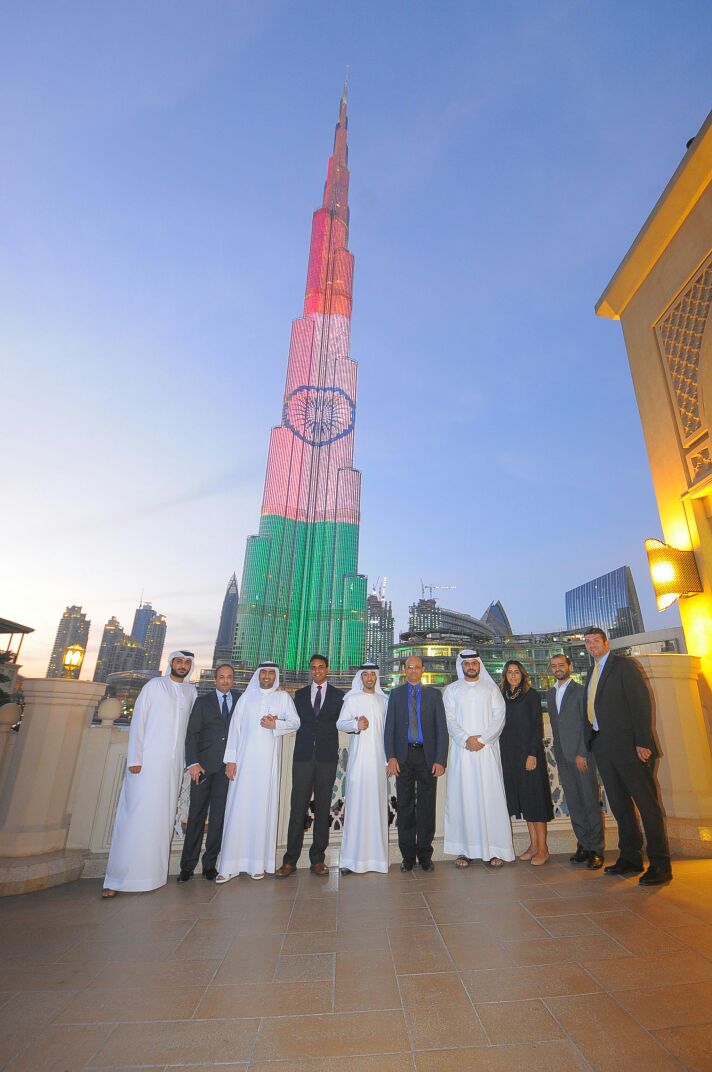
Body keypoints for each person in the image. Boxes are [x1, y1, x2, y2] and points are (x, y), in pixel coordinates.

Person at [102, 650, 197, 897]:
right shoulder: (155, 685)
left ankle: (152, 877)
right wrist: (136, 758)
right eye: (179, 661)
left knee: (162, 818)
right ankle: (117, 879)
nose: (183, 666)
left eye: (187, 663)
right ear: (171, 664)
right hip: (146, 763)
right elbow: (140, 720)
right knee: (135, 816)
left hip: (173, 766)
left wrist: (188, 761)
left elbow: (188, 731)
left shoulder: (190, 692)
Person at [583, 627, 672, 885]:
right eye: (587, 643)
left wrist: (642, 742)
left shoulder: (624, 666)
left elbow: (640, 703)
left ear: (605, 642)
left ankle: (660, 863)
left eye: (595, 641)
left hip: (630, 748)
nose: (591, 646)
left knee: (647, 805)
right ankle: (630, 857)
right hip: (603, 747)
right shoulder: (591, 672)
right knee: (620, 806)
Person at [216, 662, 298, 882]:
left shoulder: (283, 698)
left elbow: (295, 722)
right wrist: (230, 760)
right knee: (238, 809)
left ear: (276, 676)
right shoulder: (246, 698)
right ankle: (229, 865)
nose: (268, 676)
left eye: (272, 673)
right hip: (243, 763)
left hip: (266, 765)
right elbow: (235, 729)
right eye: (264, 672)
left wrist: (276, 725)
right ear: (258, 675)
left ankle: (258, 864)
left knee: (262, 810)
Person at [443, 650, 514, 869]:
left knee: (489, 799)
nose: (471, 666)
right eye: (467, 663)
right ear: (461, 666)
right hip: (462, 752)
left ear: (479, 665)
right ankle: (465, 850)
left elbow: (499, 717)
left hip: (486, 752)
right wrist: (466, 739)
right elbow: (449, 719)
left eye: (474, 663)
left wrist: (482, 739)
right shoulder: (451, 690)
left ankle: (494, 850)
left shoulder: (491, 689)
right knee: (463, 799)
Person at [275, 654, 344, 878]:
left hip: (326, 759)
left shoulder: (338, 696)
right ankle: (290, 861)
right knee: (297, 808)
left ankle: (317, 860)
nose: (317, 671)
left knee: (323, 809)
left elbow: (346, 720)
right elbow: (288, 717)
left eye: (321, 667)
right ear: (310, 670)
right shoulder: (299, 695)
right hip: (303, 757)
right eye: (313, 668)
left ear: (327, 669)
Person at [177, 663, 241, 883]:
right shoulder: (203, 702)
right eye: (221, 677)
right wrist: (193, 762)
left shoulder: (241, 700)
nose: (225, 680)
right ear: (215, 680)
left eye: (229, 677)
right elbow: (192, 734)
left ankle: (210, 864)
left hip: (226, 770)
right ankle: (187, 865)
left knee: (218, 818)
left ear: (233, 679)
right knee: (196, 816)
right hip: (203, 768)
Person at [384, 655, 448, 872]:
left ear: (422, 670)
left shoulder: (434, 695)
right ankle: (408, 856)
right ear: (404, 669)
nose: (413, 670)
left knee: (427, 807)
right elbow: (389, 728)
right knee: (404, 807)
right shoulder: (395, 694)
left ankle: (425, 854)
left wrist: (440, 759)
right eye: (409, 667)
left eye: (417, 667)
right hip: (403, 758)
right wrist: (391, 756)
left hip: (427, 757)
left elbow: (441, 730)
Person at [547, 654, 604, 870]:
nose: (558, 668)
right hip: (562, 756)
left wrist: (582, 752)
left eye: (561, 665)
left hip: (581, 756)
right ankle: (583, 844)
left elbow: (587, 724)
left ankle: (596, 849)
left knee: (589, 801)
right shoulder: (551, 693)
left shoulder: (581, 691)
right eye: (554, 666)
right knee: (574, 802)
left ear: (569, 667)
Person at [336, 662, 389, 875]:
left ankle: (377, 861)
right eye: (365, 674)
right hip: (358, 762)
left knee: (376, 808)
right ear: (360, 677)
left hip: (379, 762)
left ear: (376, 678)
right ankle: (351, 860)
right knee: (356, 808)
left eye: (372, 674)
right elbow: (341, 724)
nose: (369, 678)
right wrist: (356, 725)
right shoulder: (352, 700)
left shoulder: (384, 701)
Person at [499, 660, 553, 866]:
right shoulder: (501, 696)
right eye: (509, 672)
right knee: (526, 802)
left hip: (529, 755)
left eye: (516, 672)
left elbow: (536, 727)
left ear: (522, 674)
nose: (513, 676)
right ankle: (533, 846)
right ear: (505, 675)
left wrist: (532, 754)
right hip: (510, 756)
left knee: (535, 801)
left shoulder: (531, 695)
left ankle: (543, 848)